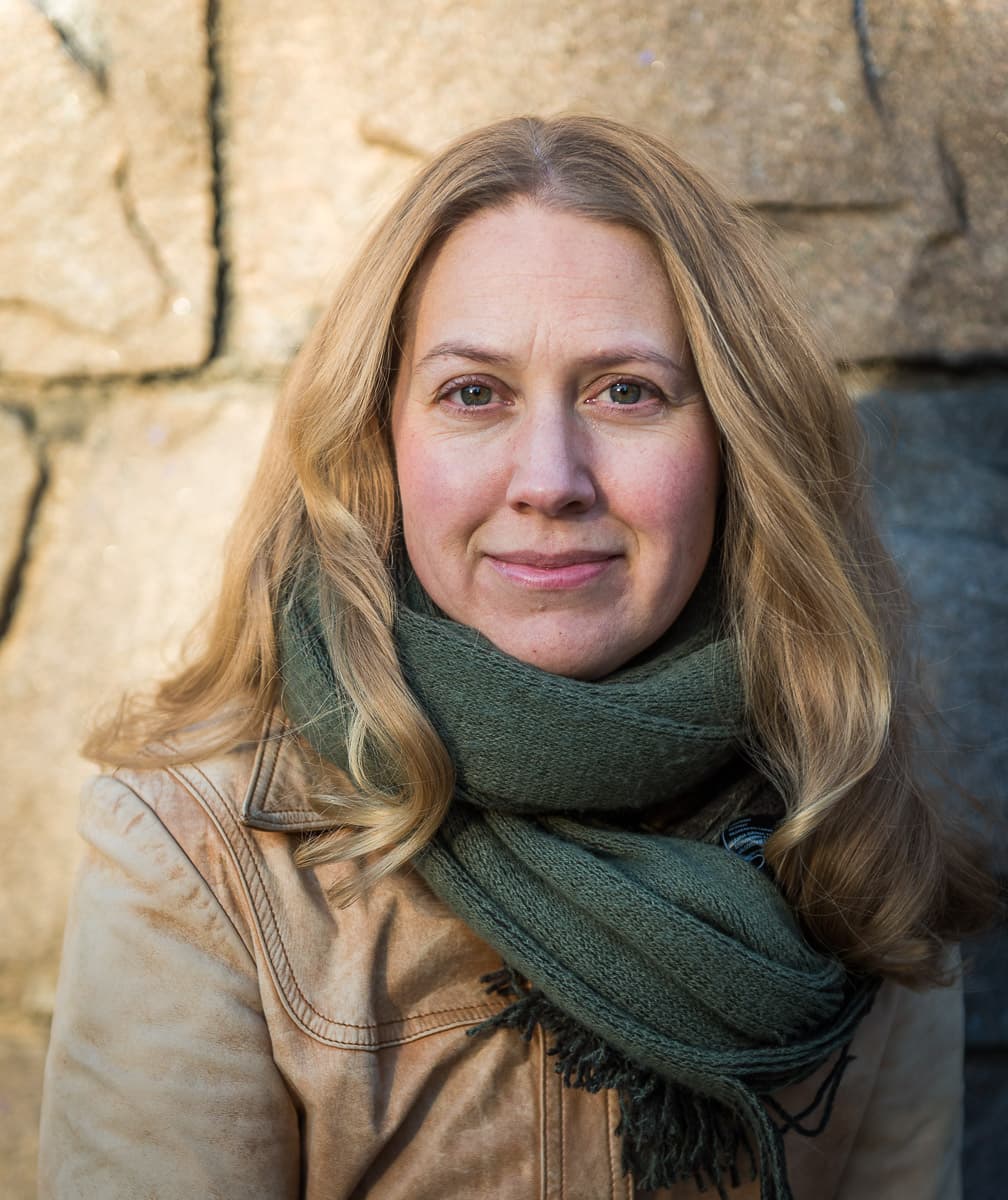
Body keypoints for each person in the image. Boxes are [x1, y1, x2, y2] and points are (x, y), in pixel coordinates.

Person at [38, 115, 994, 1200]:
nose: (550, 478)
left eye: (626, 391)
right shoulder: (204, 854)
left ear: (736, 442)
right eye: (473, 393)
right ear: (378, 442)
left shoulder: (847, 831)